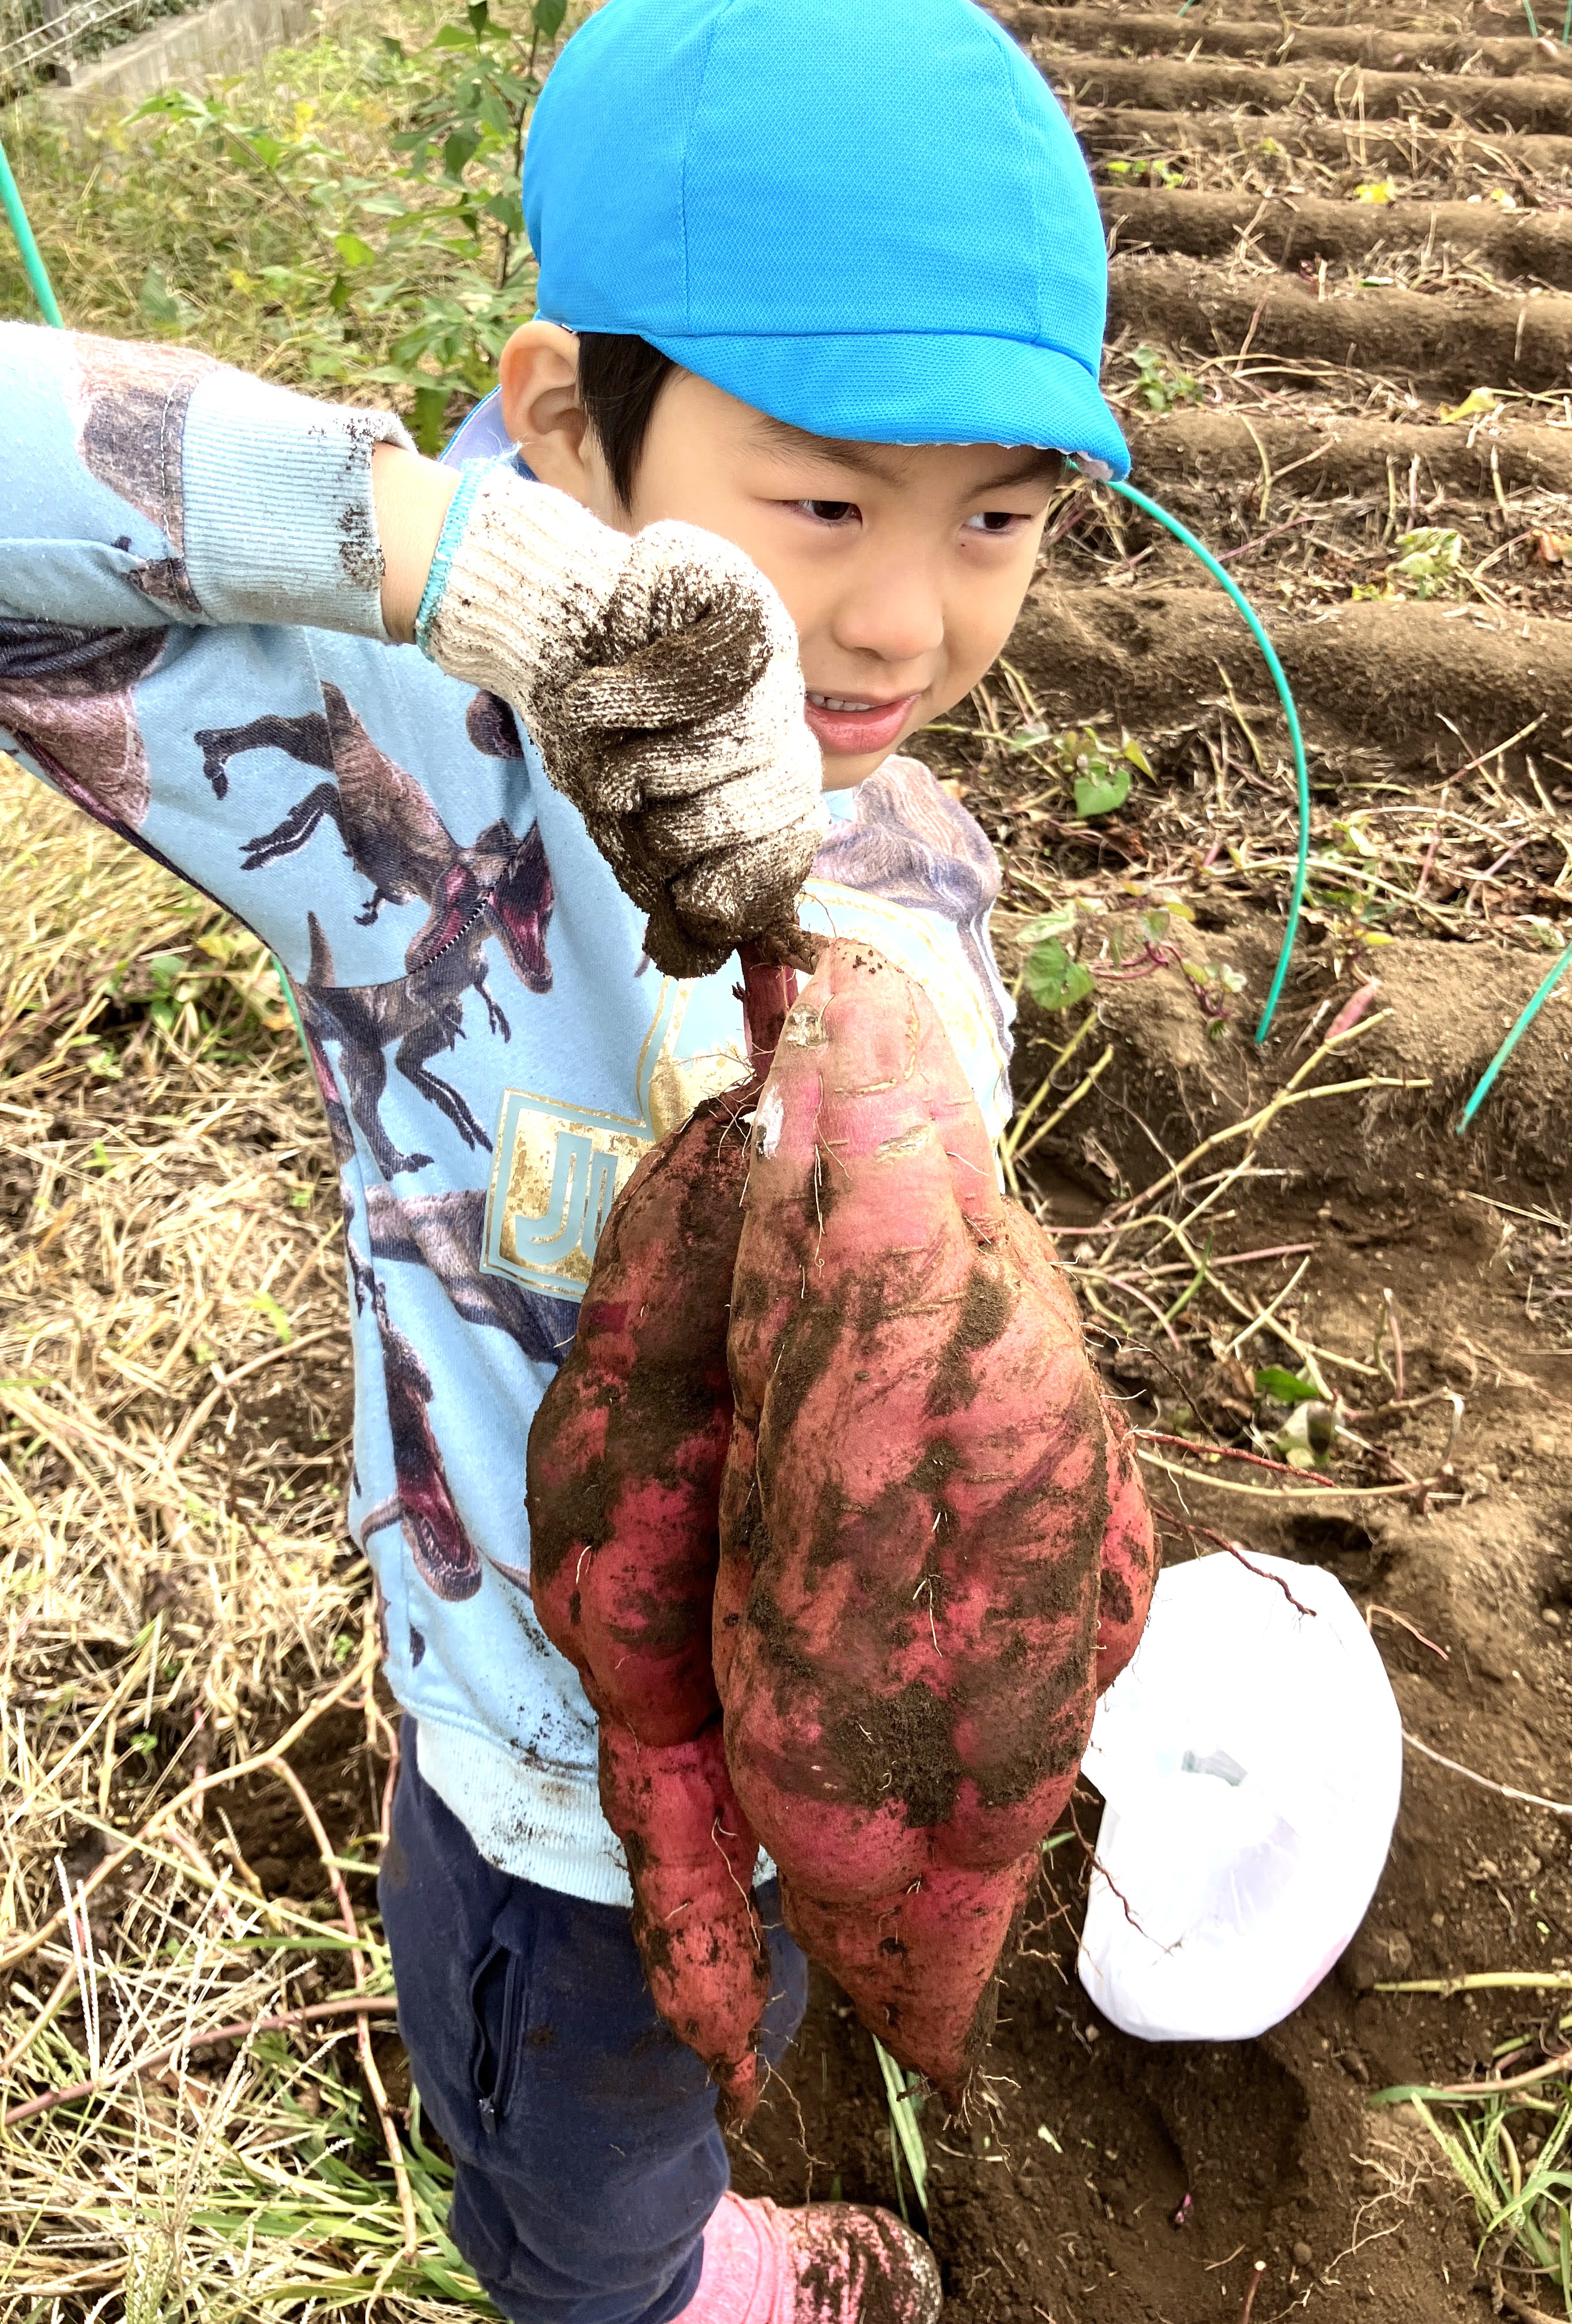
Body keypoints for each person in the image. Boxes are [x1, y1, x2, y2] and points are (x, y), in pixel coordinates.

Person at [0, 0, 1129, 2314]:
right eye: (827, 503)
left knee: (738, 2024)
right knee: (582, 2167)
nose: (905, 617)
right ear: (564, 424)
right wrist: (444, 561)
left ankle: (687, 2224)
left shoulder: (914, 849)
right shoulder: (402, 783)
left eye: (998, 520)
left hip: (800, 1749)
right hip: (540, 1787)